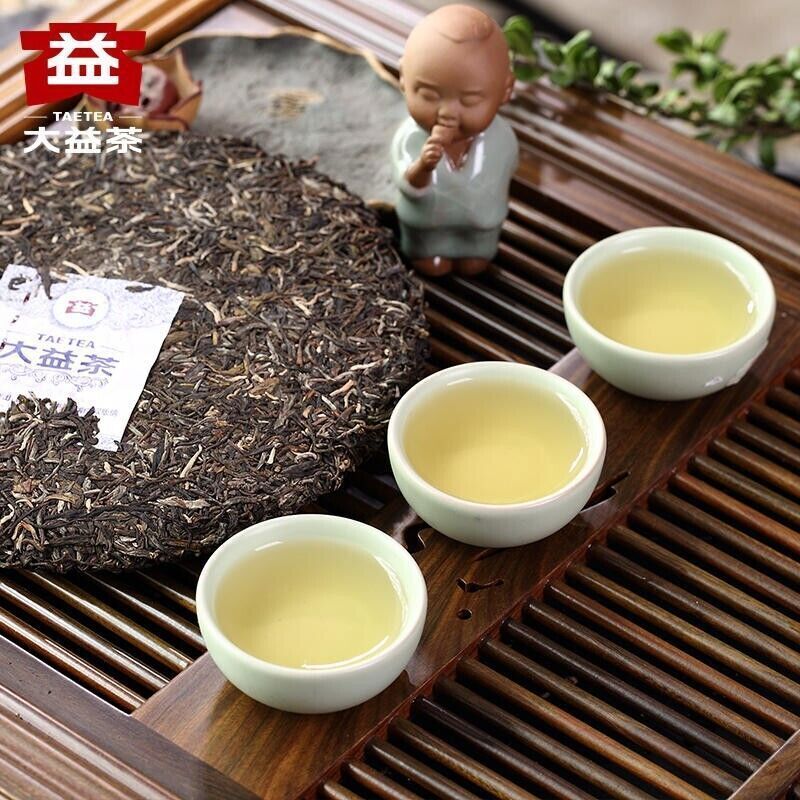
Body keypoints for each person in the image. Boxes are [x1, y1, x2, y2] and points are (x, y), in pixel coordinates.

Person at [392, 4, 518, 277]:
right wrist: (423, 166)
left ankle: (475, 251)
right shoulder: (411, 137)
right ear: (403, 78)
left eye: (469, 100)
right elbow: (407, 184)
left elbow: (501, 178)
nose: (447, 112)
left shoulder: (501, 138)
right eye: (429, 95)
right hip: (427, 226)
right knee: (430, 263)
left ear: (506, 90)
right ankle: (428, 253)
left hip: (479, 226)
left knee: (476, 260)